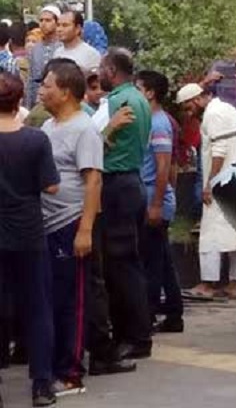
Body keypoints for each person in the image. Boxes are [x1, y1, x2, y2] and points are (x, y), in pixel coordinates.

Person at [38, 59, 102, 397]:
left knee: (71, 300)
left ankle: (71, 373)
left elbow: (93, 181)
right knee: (50, 297)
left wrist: (85, 229)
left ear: (65, 92)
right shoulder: (48, 127)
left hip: (70, 222)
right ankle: (51, 365)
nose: (41, 91)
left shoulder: (84, 129)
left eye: (47, 85)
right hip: (46, 224)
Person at [88, 48, 153, 368]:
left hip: (115, 184)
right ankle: (136, 334)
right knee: (128, 262)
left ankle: (133, 337)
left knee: (119, 265)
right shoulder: (139, 99)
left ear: (112, 71)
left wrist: (106, 130)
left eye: (101, 68)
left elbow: (90, 143)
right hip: (132, 182)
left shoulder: (114, 103)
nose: (97, 74)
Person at [0, 72, 59, 406]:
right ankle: (42, 384)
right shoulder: (36, 140)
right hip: (29, 231)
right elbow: (51, 186)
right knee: (37, 307)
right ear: (19, 100)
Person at [176, 83, 236, 300]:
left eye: (188, 107)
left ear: (197, 99)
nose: (188, 113)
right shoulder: (227, 109)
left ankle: (207, 283)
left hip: (222, 179)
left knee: (210, 231)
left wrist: (210, 183)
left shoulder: (213, 115)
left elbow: (219, 151)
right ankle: (235, 283)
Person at [135, 70, 185, 334]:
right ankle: (174, 313)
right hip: (154, 198)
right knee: (162, 260)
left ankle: (149, 313)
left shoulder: (158, 124)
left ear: (150, 93)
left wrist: (156, 204)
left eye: (138, 89)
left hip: (154, 201)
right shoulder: (151, 121)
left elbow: (164, 165)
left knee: (152, 263)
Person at [27, 6, 63, 109]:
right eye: (41, 20)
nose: (43, 23)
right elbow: (31, 79)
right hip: (37, 102)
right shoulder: (35, 48)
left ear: (57, 22)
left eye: (48, 20)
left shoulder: (62, 47)